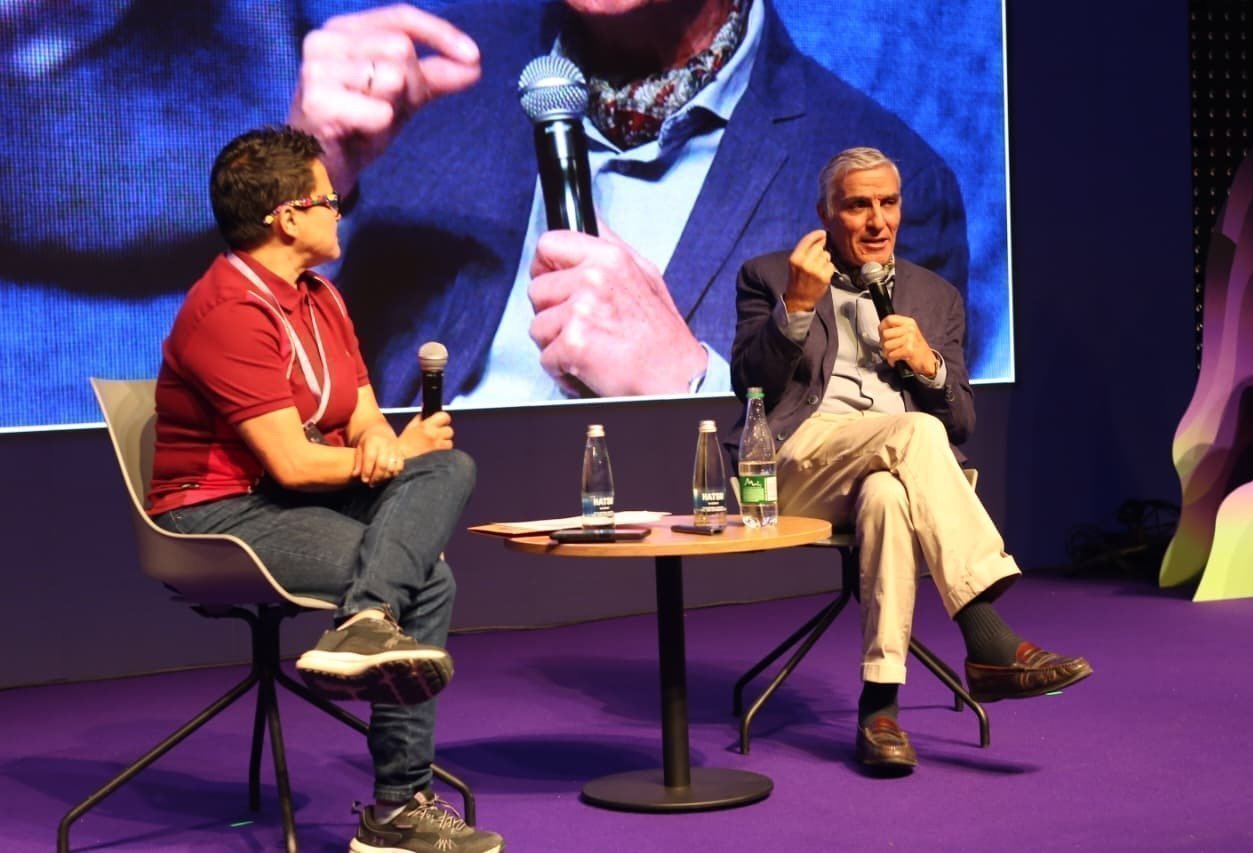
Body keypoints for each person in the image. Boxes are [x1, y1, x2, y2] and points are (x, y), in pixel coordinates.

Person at [288, 0, 970, 407]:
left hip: (666, 604)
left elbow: (892, 471)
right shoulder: (417, 82)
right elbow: (271, 397)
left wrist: (688, 382)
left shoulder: (882, 184)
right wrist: (300, 185)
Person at [146, 126, 504, 852]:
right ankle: (399, 805)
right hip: (216, 511)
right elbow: (293, 465)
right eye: (330, 199)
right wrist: (386, 452)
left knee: (449, 466)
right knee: (427, 580)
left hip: (287, 496)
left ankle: (363, 622)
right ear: (287, 215)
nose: (342, 210)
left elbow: (367, 418)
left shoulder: (323, 300)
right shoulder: (227, 312)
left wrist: (385, 444)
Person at [729, 146, 1091, 774]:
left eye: (888, 203)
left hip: (895, 464)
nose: (877, 221)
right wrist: (796, 308)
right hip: (795, 465)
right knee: (915, 434)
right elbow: (750, 387)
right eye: (858, 205)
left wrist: (927, 363)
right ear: (825, 214)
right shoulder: (770, 276)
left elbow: (963, 422)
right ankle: (986, 632)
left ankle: (880, 711)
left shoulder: (934, 295)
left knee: (890, 497)